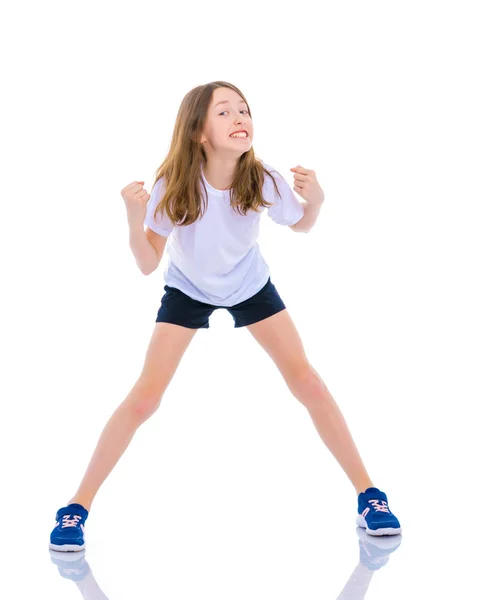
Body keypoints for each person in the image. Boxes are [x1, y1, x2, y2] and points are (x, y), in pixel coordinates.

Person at [49, 81, 401, 553]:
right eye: (225, 112)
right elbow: (148, 263)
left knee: (308, 383)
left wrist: (315, 199)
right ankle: (76, 508)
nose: (240, 118)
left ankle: (369, 496)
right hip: (188, 288)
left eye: (244, 109)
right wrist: (135, 220)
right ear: (198, 131)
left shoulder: (264, 179)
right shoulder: (172, 185)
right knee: (143, 401)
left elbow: (301, 224)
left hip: (248, 284)